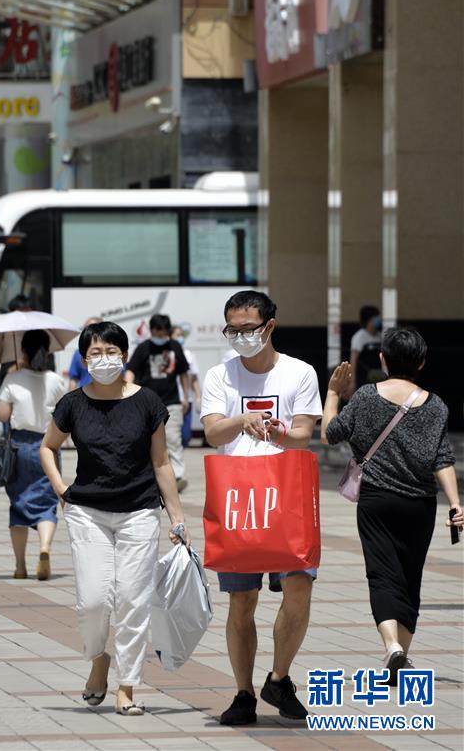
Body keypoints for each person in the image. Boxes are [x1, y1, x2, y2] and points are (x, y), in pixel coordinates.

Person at [39, 320, 189, 716]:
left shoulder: (147, 402)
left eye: (111, 352)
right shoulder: (72, 404)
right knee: (92, 601)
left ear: (124, 355)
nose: (103, 359)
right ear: (84, 358)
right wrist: (61, 489)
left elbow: (161, 463)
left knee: (132, 600)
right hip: (87, 513)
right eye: (95, 353)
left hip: (140, 511)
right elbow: (47, 447)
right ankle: (98, 659)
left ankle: (127, 687)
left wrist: (177, 518)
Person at [200, 290, 322, 725]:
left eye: (248, 329)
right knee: (242, 600)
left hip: (288, 489)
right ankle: (243, 694)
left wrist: (277, 432)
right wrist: (241, 421)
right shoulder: (220, 375)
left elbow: (304, 434)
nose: (241, 337)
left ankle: (278, 677)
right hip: (238, 494)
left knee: (299, 586)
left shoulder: (299, 372)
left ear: (270, 326)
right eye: (232, 330)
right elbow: (213, 433)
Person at [321, 326, 462, 685]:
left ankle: (392, 648)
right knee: (410, 578)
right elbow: (443, 459)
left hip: (377, 501)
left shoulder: (367, 397)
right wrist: (455, 504)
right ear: (422, 363)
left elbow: (330, 433)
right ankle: (401, 658)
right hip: (420, 504)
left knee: (382, 576)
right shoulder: (437, 406)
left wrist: (333, 393)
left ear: (383, 359)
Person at [0, 329, 66, 581]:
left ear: (23, 351)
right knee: (47, 503)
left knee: (18, 504)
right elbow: (65, 415)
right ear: (47, 351)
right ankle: (44, 547)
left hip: (19, 447)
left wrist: (12, 379)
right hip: (48, 447)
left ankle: (20, 566)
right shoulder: (55, 380)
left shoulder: (13, 378)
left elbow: (3, 416)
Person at [125, 314, 190, 493]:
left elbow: (183, 373)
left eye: (163, 333)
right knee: (145, 441)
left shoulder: (175, 346)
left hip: (172, 402)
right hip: (146, 404)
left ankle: (178, 477)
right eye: (157, 333)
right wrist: (127, 392)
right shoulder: (143, 348)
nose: (160, 337)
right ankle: (148, 476)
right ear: (151, 331)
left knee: (173, 439)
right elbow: (131, 370)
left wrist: (185, 396)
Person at [0, 294, 33, 411]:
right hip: (7, 384)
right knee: (6, 418)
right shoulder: (2, 331)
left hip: (28, 385)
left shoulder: (34, 331)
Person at [171, 324, 202, 448]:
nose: (180, 338)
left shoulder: (189, 355)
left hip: (186, 400)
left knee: (185, 437)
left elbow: (193, 378)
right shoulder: (166, 354)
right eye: (177, 335)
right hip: (170, 400)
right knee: (171, 437)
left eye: (181, 335)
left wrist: (198, 396)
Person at [349, 305, 383, 396]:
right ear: (369, 320)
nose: (379, 319)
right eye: (376, 317)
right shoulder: (359, 336)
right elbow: (353, 360)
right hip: (364, 379)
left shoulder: (379, 336)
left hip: (378, 379)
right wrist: (352, 382)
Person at [66, 317, 102, 391]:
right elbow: (73, 379)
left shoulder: (110, 352)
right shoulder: (78, 353)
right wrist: (71, 397)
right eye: (85, 329)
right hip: (85, 395)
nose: (88, 332)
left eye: (92, 328)